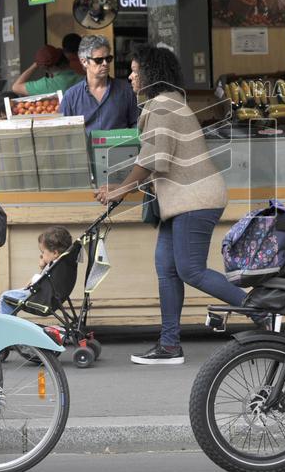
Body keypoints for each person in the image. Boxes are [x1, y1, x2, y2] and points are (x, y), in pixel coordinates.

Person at [97, 45, 262, 364]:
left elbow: (153, 159)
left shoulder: (161, 106)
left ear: (150, 74)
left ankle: (261, 312)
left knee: (190, 269)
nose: (129, 77)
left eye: (134, 71)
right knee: (167, 268)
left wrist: (121, 189)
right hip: (181, 200)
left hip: (194, 198)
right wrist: (127, 187)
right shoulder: (168, 103)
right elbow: (157, 159)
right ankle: (169, 344)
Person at [59, 35, 138, 134]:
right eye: (99, 60)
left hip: (118, 148)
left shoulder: (126, 90)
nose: (105, 63)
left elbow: (136, 125)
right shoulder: (71, 96)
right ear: (84, 61)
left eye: (108, 59)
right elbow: (64, 133)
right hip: (86, 149)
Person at [0, 226, 72, 315]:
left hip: (41, 299)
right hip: (51, 298)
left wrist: (33, 278)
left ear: (55, 253)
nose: (42, 255)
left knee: (4, 297)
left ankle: (8, 327)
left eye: (43, 252)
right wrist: (43, 266)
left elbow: (43, 282)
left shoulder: (57, 265)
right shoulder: (64, 262)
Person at [10, 45, 82, 97]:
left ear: (46, 69)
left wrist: (35, 65)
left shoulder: (47, 84)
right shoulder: (84, 77)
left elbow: (16, 87)